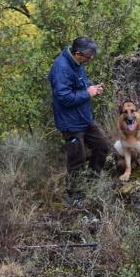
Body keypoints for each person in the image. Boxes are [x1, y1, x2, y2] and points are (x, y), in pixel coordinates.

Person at [48, 37, 110, 184]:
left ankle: (92, 182)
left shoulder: (78, 63)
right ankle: (74, 195)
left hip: (84, 118)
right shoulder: (61, 68)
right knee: (77, 160)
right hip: (70, 123)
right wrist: (87, 93)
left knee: (102, 146)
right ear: (77, 53)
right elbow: (64, 98)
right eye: (89, 56)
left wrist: (92, 87)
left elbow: (81, 83)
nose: (91, 59)